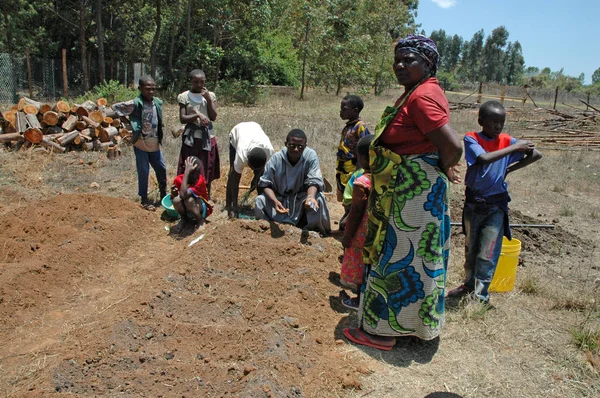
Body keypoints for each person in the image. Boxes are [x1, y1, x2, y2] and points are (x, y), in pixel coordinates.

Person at [343, 34, 463, 351]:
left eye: (408, 59)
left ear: (428, 63)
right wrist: (438, 164)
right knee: (415, 262)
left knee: (397, 258)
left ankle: (382, 332)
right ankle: (410, 326)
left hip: (413, 197)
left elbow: (452, 146)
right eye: (397, 59)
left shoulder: (422, 96)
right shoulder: (417, 92)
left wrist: (437, 165)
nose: (399, 65)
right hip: (410, 189)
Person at [446, 101, 542, 304]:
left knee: (488, 252)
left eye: (502, 122)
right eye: (494, 122)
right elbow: (483, 159)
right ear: (481, 122)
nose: (498, 126)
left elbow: (536, 154)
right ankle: (468, 286)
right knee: (471, 247)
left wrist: (509, 168)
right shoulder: (472, 138)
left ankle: (481, 296)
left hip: (495, 206)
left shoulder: (507, 140)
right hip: (473, 204)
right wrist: (515, 148)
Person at [254, 129, 331, 235]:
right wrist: (275, 201)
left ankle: (315, 231)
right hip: (280, 199)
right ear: (286, 144)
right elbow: (265, 184)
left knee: (318, 198)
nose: (296, 150)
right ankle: (265, 229)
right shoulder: (276, 159)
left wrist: (310, 197)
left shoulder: (310, 156)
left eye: (300, 147)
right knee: (260, 200)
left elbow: (314, 181)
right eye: (292, 145)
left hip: (301, 199)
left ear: (305, 146)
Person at [112, 75, 167, 211]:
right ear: (140, 89)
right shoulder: (135, 103)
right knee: (143, 170)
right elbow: (115, 108)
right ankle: (144, 198)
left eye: (153, 89)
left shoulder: (157, 103)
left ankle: (164, 194)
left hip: (154, 143)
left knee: (161, 168)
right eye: (148, 89)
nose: (151, 92)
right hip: (141, 143)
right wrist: (129, 123)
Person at [340, 135, 374, 310]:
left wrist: (347, 236)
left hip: (361, 234)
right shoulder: (385, 178)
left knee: (361, 267)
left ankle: (360, 300)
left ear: (365, 158)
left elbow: (355, 213)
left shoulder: (362, 182)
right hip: (378, 233)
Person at [177, 69, 219, 199]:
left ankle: (206, 195)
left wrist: (208, 100)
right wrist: (197, 115)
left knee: (207, 167)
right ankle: (188, 192)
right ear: (191, 81)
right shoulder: (184, 96)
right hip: (191, 138)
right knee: (190, 165)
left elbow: (213, 117)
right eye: (196, 82)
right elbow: (183, 118)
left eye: (202, 82)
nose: (199, 85)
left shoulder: (210, 95)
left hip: (207, 138)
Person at [226, 122, 274, 218]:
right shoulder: (241, 154)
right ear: (247, 161)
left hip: (255, 127)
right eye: (251, 168)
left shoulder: (269, 152)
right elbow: (235, 179)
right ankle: (229, 206)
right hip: (238, 131)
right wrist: (236, 207)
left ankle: (262, 206)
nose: (252, 170)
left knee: (261, 178)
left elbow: (263, 172)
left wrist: (256, 178)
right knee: (232, 174)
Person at [336, 95, 371, 229]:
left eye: (344, 109)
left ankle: (349, 226)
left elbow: (362, 149)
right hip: (342, 168)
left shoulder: (360, 127)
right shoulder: (348, 127)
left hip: (352, 169)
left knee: (350, 197)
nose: (341, 111)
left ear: (355, 110)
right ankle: (346, 222)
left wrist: (358, 171)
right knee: (344, 196)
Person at [170, 156, 213, 233]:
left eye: (197, 173)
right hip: (187, 207)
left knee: (189, 200)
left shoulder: (200, 181)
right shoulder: (178, 179)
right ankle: (184, 219)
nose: (196, 175)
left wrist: (187, 173)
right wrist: (174, 193)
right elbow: (176, 197)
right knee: (176, 200)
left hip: (200, 208)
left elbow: (183, 195)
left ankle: (200, 220)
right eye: (193, 173)